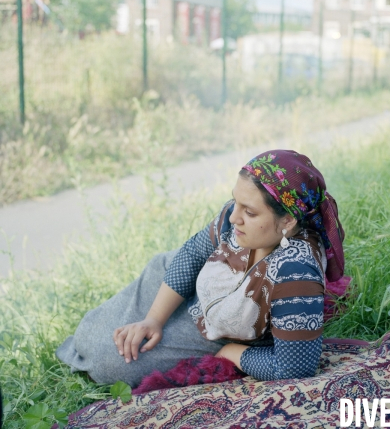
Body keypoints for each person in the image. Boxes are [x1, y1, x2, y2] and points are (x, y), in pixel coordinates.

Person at [56, 150, 345, 387]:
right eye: (235, 202)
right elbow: (193, 253)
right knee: (91, 333)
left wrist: (231, 353)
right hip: (187, 286)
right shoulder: (237, 221)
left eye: (250, 212)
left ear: (288, 222)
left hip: (221, 329)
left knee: (109, 364)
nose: (233, 218)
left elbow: (295, 367)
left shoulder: (296, 272)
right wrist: (153, 320)